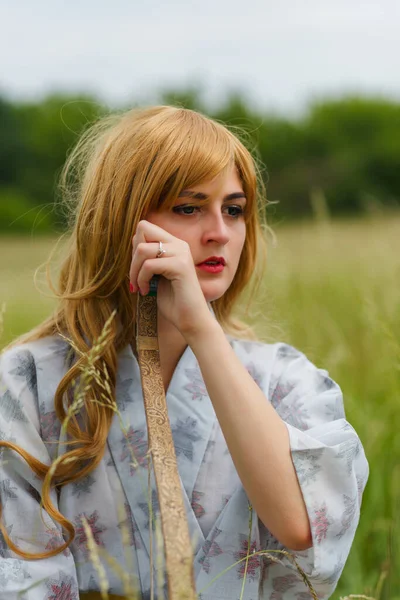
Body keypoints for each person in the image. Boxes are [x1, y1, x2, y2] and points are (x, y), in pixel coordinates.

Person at [0, 105, 368, 600]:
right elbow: (24, 576)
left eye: (233, 210)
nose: (218, 231)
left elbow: (303, 527)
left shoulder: (285, 378)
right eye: (189, 207)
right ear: (121, 221)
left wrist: (201, 330)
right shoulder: (27, 382)